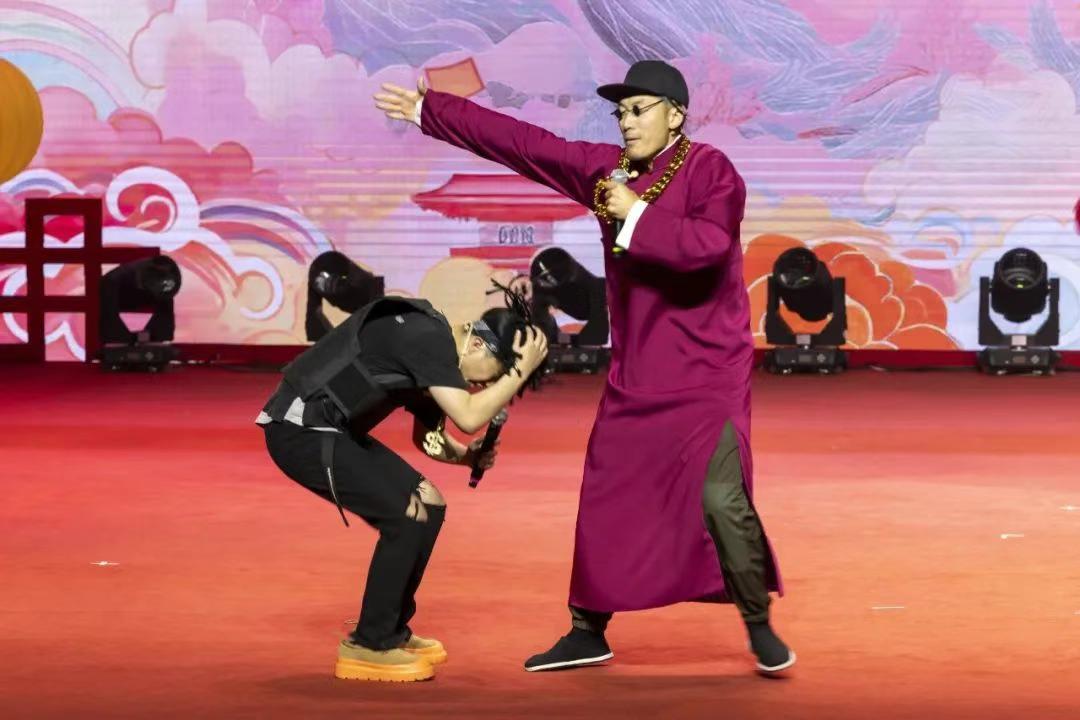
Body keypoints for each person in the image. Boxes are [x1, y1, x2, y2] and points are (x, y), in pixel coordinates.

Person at [375, 59, 794, 675]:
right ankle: (587, 629)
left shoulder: (711, 170)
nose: (627, 122)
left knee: (719, 496)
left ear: (676, 115)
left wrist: (635, 212)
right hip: (639, 372)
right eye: (621, 112)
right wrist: (430, 110)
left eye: (639, 110)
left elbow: (706, 249)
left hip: (709, 372)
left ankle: (758, 623)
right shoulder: (608, 175)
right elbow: (526, 145)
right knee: (607, 494)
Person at [257, 289, 548, 682]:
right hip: (299, 429)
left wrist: (467, 457)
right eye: (491, 376)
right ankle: (369, 643)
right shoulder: (427, 338)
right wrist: (519, 372)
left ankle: (391, 628)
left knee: (430, 504)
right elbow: (467, 417)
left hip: (332, 430)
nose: (483, 386)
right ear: (478, 344)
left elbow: (428, 439)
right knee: (408, 513)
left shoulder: (439, 357)